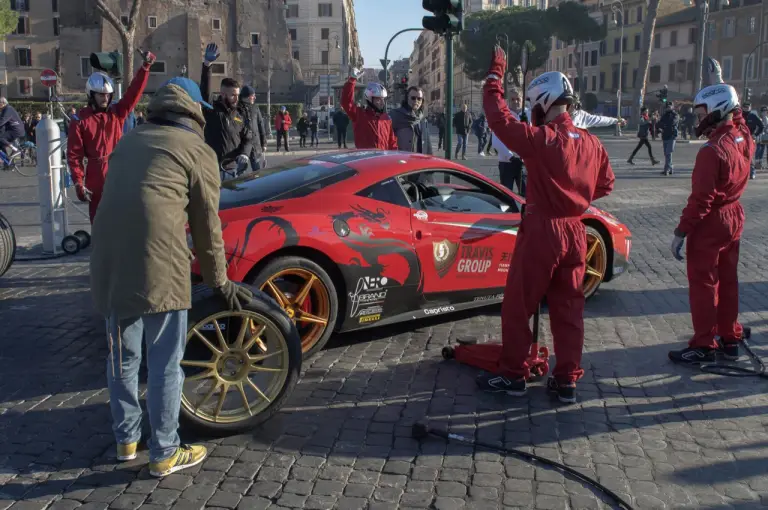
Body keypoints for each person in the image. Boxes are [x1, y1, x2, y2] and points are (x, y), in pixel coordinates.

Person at [89, 77, 254, 478]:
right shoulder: (197, 150)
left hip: (108, 262)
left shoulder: (128, 141)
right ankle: (164, 450)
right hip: (159, 261)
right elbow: (207, 226)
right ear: (195, 112)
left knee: (122, 359)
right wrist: (219, 283)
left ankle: (126, 440)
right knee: (165, 362)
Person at [465, 47, 614, 404]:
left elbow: (498, 119)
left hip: (543, 230)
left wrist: (494, 77)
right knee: (568, 308)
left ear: (543, 103)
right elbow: (606, 185)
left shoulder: (543, 140)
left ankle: (513, 374)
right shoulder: (592, 142)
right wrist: (574, 193)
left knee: (519, 304)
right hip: (577, 231)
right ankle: (567, 381)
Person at [667, 83, 751, 365]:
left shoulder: (711, 151)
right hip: (734, 214)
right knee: (728, 280)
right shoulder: (742, 138)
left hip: (712, 221)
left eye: (702, 111)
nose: (698, 117)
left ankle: (704, 342)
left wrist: (681, 232)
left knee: (704, 283)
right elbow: (739, 120)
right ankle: (729, 336)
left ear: (715, 109)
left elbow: (700, 201)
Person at [67, 51, 155, 223]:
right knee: (100, 221)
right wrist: (79, 183)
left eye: (108, 95)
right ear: (91, 94)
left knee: (124, 218)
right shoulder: (79, 121)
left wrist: (145, 68)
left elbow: (133, 94)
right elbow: (74, 156)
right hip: (95, 173)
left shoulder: (117, 113)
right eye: (101, 95)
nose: (105, 98)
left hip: (119, 169)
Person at [199, 43, 253, 169]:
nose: (236, 98)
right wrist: (207, 65)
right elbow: (205, 92)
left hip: (234, 170)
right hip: (213, 169)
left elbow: (248, 137)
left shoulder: (239, 113)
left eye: (237, 95)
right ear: (223, 94)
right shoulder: (212, 110)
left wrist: (245, 153)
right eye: (233, 95)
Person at [341, 68, 397, 150]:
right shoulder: (359, 114)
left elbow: (392, 143)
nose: (382, 103)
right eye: (378, 99)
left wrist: (394, 158)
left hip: (383, 160)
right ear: (370, 99)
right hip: (365, 159)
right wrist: (352, 81)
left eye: (383, 99)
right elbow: (346, 102)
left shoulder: (386, 119)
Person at [493, 87, 527, 195]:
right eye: (512, 99)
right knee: (507, 195)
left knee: (527, 195)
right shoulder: (501, 115)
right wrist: (510, 157)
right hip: (507, 162)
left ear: (522, 99)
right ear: (508, 100)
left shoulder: (529, 114)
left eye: (518, 99)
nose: (516, 102)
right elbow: (496, 140)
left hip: (524, 163)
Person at [390, 86, 432, 154]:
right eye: (413, 98)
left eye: (419, 99)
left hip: (420, 160)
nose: (416, 101)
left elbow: (428, 145)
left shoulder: (423, 120)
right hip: (401, 160)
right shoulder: (396, 115)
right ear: (407, 98)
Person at [237, 85, 267, 172]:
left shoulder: (255, 108)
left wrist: (264, 143)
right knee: (240, 170)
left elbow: (261, 125)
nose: (255, 97)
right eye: (253, 95)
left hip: (255, 144)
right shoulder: (237, 108)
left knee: (257, 170)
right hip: (242, 145)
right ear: (248, 96)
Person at [742, 102, 764, 178]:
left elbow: (761, 126)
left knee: (749, 155)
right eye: (745, 107)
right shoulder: (740, 116)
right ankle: (742, 173)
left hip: (750, 138)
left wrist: (755, 135)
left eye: (748, 107)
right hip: (740, 138)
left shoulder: (753, 116)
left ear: (750, 108)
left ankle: (752, 172)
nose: (746, 108)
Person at [658, 102, 679, 175]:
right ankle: (671, 168)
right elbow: (659, 123)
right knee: (666, 154)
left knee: (668, 153)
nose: (668, 108)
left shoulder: (675, 115)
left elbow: (672, 122)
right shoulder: (664, 115)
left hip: (672, 136)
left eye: (670, 106)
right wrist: (662, 126)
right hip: (665, 136)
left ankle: (666, 170)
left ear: (672, 107)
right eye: (667, 106)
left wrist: (664, 125)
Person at [755, 106, 768, 178]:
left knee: (762, 150)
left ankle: (760, 164)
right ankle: (757, 163)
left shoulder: (766, 118)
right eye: (764, 111)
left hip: (765, 137)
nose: (765, 112)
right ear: (761, 111)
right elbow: (760, 127)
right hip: (760, 136)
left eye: (766, 111)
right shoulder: (759, 118)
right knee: (759, 149)